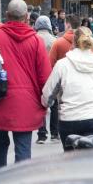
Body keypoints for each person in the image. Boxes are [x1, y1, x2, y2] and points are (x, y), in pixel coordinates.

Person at [0, 0, 50, 170]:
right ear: (27, 17)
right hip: (27, 104)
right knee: (23, 149)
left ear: (7, 15)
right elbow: (45, 78)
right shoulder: (36, 41)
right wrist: (45, 104)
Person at [41, 27, 93, 150]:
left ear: (73, 42)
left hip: (69, 120)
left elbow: (48, 94)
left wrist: (45, 104)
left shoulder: (62, 65)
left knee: (71, 161)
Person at [33, 15, 57, 144]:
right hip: (53, 75)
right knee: (55, 105)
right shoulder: (55, 40)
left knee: (40, 104)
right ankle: (55, 133)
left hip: (37, 76)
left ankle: (41, 134)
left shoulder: (33, 39)